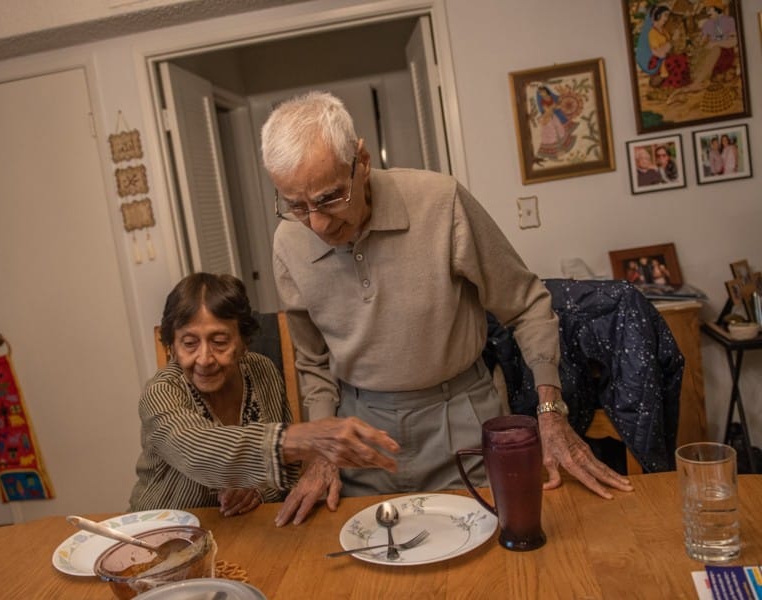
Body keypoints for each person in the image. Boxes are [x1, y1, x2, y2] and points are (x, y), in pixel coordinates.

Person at [260, 91, 632, 527]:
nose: (318, 225)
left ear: (361, 161)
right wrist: (322, 448)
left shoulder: (441, 202)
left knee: (494, 554)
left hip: (461, 418)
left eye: (329, 198)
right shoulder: (288, 241)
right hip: (361, 434)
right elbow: (313, 361)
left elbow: (527, 304)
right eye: (297, 206)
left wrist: (551, 415)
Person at [128, 272, 399, 515]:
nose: (204, 358)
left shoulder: (262, 371)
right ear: (172, 347)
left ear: (243, 341)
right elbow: (199, 451)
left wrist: (256, 492)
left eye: (220, 342)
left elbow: (288, 474)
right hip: (156, 534)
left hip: (241, 529)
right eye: (189, 343)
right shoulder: (160, 393)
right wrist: (307, 437)